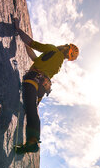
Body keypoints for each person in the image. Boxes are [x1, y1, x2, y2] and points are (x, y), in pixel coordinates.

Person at [13, 17, 79, 154]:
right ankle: (31, 141)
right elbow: (35, 58)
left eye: (66, 46)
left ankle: (32, 141)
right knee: (31, 110)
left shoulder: (52, 49)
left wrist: (18, 29)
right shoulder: (58, 63)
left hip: (33, 79)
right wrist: (26, 45)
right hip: (42, 87)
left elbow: (32, 43)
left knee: (29, 108)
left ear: (66, 48)